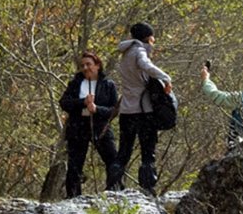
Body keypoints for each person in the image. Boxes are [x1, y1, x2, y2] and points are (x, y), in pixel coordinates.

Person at [114, 22, 171, 195]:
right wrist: (166, 78)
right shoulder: (139, 51)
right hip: (143, 110)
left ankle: (114, 185)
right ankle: (148, 188)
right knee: (148, 151)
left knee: (124, 150)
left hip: (126, 111)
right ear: (147, 37)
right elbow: (146, 66)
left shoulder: (124, 54)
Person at [58, 51, 121, 198]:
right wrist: (82, 103)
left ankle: (114, 193)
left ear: (97, 65)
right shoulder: (75, 83)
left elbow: (115, 110)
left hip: (101, 127)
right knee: (75, 164)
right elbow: (64, 103)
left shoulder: (108, 85)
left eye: (89, 64)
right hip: (77, 127)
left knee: (112, 159)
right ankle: (73, 197)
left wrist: (97, 109)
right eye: (82, 65)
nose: (86, 68)